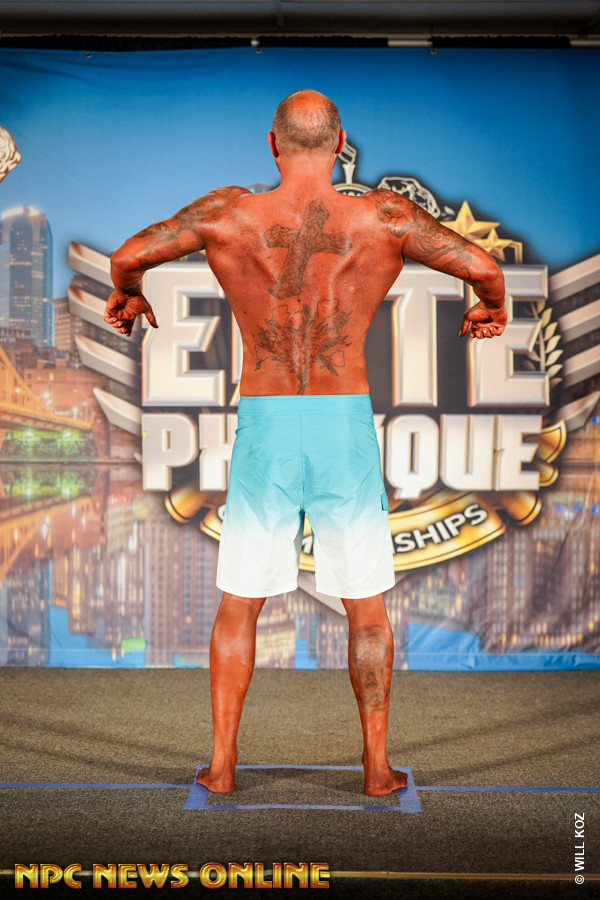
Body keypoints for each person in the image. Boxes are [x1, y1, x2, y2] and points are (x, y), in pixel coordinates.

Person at [105, 89, 507, 796]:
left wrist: (132, 292)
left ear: (272, 145)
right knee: (366, 605)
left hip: (266, 421)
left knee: (240, 602)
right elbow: (484, 269)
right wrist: (491, 307)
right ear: (341, 143)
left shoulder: (228, 213)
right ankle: (376, 769)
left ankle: (222, 768)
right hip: (340, 421)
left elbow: (128, 255)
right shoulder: (383, 216)